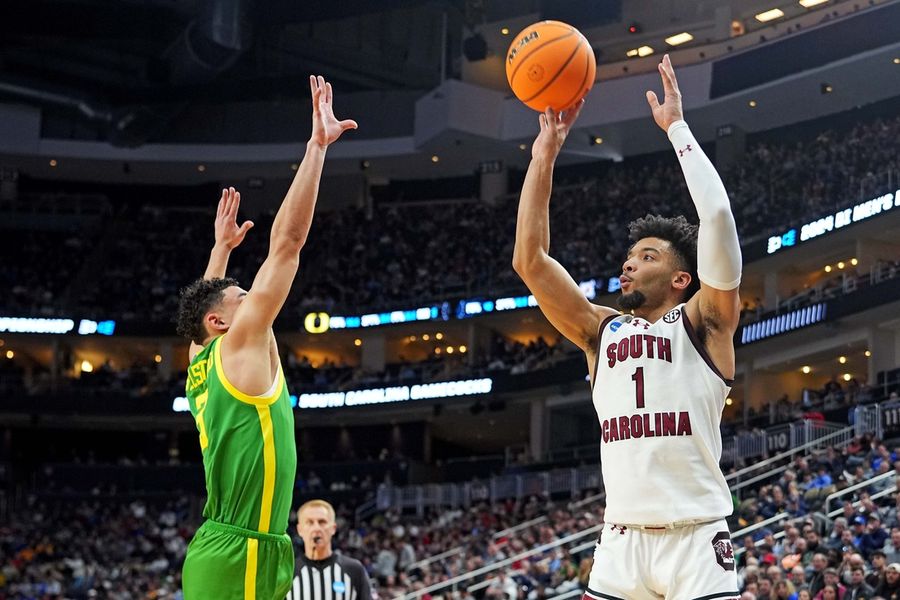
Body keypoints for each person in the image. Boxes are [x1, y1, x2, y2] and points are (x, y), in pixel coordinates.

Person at [513, 54, 742, 599]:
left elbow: (718, 218)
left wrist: (677, 129)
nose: (628, 264)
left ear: (683, 277)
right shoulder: (600, 332)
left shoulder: (707, 323)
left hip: (696, 539)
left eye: (646, 256)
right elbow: (530, 260)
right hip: (620, 542)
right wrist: (543, 156)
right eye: (629, 256)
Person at [176, 76, 357, 600]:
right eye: (240, 298)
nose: (251, 298)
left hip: (236, 547)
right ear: (222, 324)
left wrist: (221, 252)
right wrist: (316, 147)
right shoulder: (237, 343)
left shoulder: (201, 361)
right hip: (245, 549)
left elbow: (203, 314)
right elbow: (288, 244)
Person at [285, 500, 372, 600]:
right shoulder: (289, 573)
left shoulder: (354, 569)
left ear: (333, 528)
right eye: (310, 522)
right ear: (299, 530)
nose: (316, 528)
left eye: (322, 522)